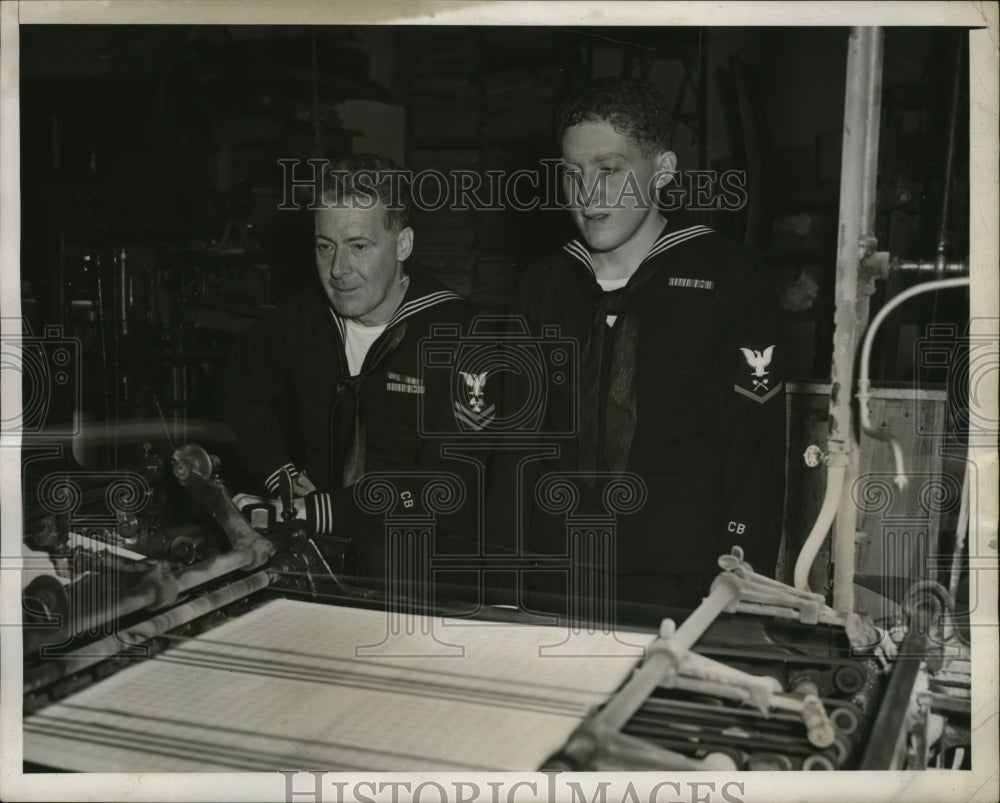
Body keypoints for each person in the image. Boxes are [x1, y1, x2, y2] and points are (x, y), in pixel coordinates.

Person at [505, 78, 786, 612]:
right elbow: (517, 443)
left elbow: (753, 446)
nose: (587, 197)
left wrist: (738, 570)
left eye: (609, 172)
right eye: (572, 174)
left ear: (662, 171)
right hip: (552, 572)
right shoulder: (542, 285)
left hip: (678, 579)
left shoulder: (729, 277)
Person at [216, 153, 478, 581]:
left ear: (403, 245)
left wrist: (320, 510)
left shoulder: (458, 334)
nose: (338, 270)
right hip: (317, 557)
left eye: (359, 246)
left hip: (423, 566)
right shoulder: (302, 319)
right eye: (325, 247)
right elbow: (236, 389)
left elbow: (449, 490)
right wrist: (279, 474)